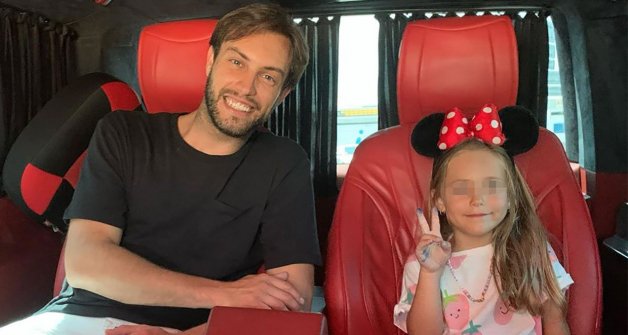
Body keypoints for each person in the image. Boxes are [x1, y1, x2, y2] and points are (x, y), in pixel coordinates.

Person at [0, 3, 320, 335]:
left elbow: (292, 300)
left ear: (283, 94)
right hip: (86, 316)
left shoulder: (285, 162)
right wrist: (224, 294)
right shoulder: (122, 132)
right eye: (236, 62)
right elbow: (84, 262)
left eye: (268, 76)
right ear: (211, 61)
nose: (246, 87)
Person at [394, 105, 573, 335]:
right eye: (461, 189)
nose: (477, 199)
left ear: (511, 196)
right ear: (439, 200)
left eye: (491, 186)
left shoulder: (534, 251)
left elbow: (556, 322)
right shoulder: (422, 264)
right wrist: (430, 274)